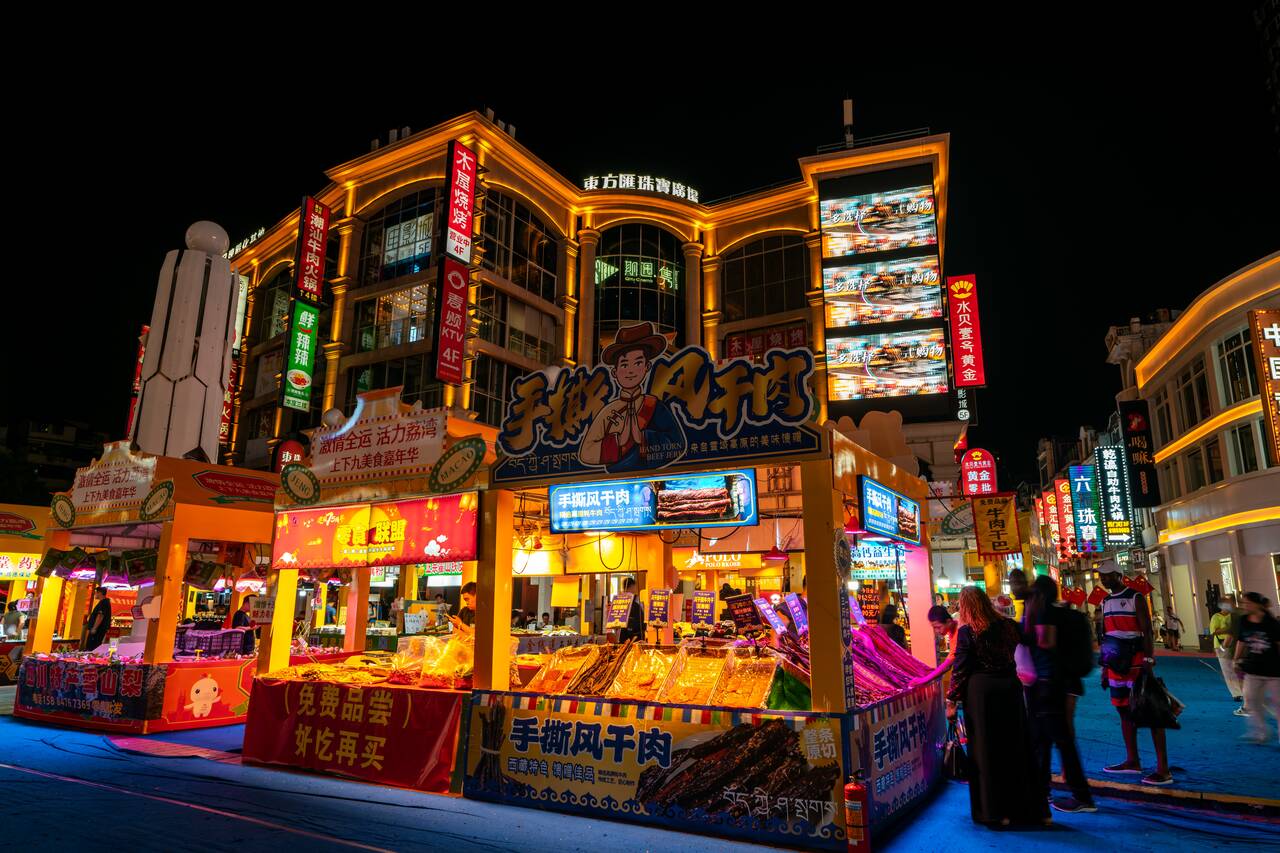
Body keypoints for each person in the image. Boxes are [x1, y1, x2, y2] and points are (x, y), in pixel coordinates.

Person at [947, 586, 1048, 826]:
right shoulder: (1008, 626)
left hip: (981, 694)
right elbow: (1035, 639)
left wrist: (951, 701)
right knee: (1016, 747)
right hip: (1010, 690)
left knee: (986, 751)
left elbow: (960, 669)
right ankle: (1026, 810)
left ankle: (994, 813)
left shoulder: (968, 632)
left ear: (965, 607)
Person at [1023, 576, 1095, 813]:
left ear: (1040, 595)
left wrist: (1029, 633)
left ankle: (1080, 796)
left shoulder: (1045, 614)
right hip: (1057, 683)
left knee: (1058, 741)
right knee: (1046, 740)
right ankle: (1043, 791)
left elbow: (1046, 642)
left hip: (1048, 684)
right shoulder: (1060, 613)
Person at [578, 321, 687, 473]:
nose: (631, 371)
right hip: (613, 481)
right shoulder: (608, 411)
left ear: (647, 367)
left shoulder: (654, 405)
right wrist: (617, 442)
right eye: (624, 365)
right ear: (614, 372)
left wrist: (643, 438)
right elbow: (585, 452)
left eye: (637, 363)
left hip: (654, 476)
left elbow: (677, 443)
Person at [1098, 563, 1172, 785]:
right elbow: (1107, 635)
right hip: (1115, 664)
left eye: (1108, 575)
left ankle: (1163, 769)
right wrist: (1104, 666)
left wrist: (1148, 658)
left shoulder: (1135, 597)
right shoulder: (1105, 601)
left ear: (1119, 575)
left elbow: (1147, 629)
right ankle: (1132, 760)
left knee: (1150, 712)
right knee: (1122, 709)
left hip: (1136, 662)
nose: (1104, 579)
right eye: (1101, 576)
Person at [1233, 592, 1280, 744]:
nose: (1245, 606)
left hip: (1273, 670)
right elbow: (1241, 640)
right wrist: (1236, 659)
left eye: (1248, 603)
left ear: (1257, 604)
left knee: (1278, 703)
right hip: (1253, 669)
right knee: (1251, 700)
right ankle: (1261, 732)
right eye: (1243, 603)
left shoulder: (1271, 622)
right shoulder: (1244, 621)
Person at [1211, 596, 1248, 715]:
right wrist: (1228, 631)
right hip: (1222, 644)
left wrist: (1229, 630)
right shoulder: (1216, 617)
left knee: (1238, 670)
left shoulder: (1235, 615)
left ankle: (1245, 694)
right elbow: (1214, 631)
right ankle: (1237, 693)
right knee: (1228, 671)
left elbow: (1233, 632)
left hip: (1234, 645)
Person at [910, 605, 958, 687]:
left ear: (948, 621)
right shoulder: (952, 630)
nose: (937, 631)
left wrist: (923, 680)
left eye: (938, 627)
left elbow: (948, 664)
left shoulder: (959, 630)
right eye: (934, 628)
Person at [81, 586, 113, 651]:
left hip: (98, 631)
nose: (95, 594)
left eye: (96, 592)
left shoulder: (104, 603)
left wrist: (94, 628)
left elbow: (100, 616)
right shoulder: (104, 602)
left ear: (100, 593)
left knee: (92, 647)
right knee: (93, 647)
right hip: (98, 630)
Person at [619, 577, 645, 643]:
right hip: (636, 636)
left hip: (622, 637)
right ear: (632, 586)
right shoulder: (637, 599)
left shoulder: (618, 600)